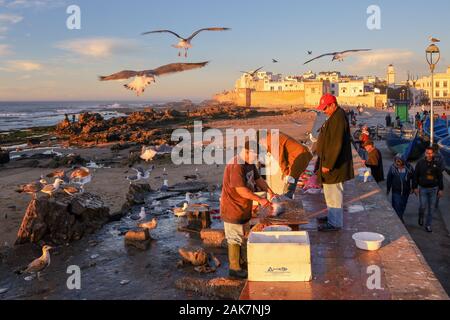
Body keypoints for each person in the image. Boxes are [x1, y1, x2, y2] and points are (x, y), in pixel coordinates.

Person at [220, 141, 274, 279]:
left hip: (243, 207)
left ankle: (242, 263)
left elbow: (258, 179)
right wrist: (260, 199)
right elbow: (241, 190)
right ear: (246, 151)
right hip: (232, 207)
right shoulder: (236, 165)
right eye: (255, 155)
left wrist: (268, 190)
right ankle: (234, 268)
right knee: (234, 238)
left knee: (243, 235)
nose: (256, 159)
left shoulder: (249, 163)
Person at [315, 94, 354, 232]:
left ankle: (335, 223)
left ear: (333, 104)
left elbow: (336, 144)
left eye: (325, 108)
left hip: (335, 167)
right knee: (329, 194)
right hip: (330, 164)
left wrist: (328, 164)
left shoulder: (338, 117)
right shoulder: (334, 116)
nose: (324, 110)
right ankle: (332, 216)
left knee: (334, 194)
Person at [259, 131, 313, 199]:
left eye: (261, 143)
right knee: (291, 179)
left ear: (262, 139)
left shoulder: (271, 140)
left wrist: (285, 172)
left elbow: (280, 158)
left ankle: (286, 200)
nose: (262, 145)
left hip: (299, 156)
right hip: (298, 155)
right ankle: (287, 197)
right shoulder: (273, 136)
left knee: (290, 181)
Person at [413, 147, 444, 233]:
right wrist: (415, 187)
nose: (429, 155)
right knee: (422, 206)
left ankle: (428, 225)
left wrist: (441, 189)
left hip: (434, 189)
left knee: (431, 208)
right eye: (427, 153)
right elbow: (415, 175)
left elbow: (440, 177)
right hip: (423, 189)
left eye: (430, 153)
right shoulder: (420, 163)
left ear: (433, 154)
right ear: (425, 153)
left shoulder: (437, 164)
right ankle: (421, 215)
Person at [386, 154, 414, 223]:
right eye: (396, 160)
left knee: (403, 205)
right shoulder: (393, 167)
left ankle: (399, 216)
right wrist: (388, 189)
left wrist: (413, 187)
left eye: (399, 160)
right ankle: (399, 219)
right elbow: (389, 178)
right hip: (396, 191)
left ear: (403, 161)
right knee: (396, 205)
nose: (397, 162)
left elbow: (414, 178)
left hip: (406, 191)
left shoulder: (409, 167)